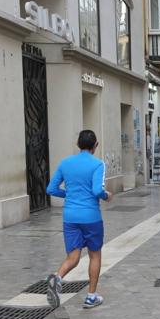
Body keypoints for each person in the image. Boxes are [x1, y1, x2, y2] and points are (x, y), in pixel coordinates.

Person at [45, 130, 113, 309]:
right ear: (95, 146)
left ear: (78, 144)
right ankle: (91, 296)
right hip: (91, 217)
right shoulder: (98, 164)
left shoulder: (65, 163)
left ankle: (57, 277)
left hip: (70, 217)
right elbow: (97, 190)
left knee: (73, 256)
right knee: (94, 254)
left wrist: (68, 194)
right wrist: (106, 196)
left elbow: (51, 189)